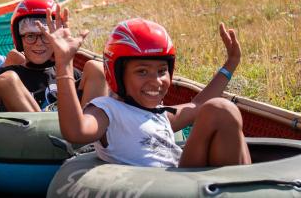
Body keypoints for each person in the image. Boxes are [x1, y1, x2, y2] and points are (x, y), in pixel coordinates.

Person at [49, 17, 251, 168]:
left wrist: (230, 64)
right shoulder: (107, 110)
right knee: (221, 108)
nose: (155, 81)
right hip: (171, 186)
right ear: (116, 74)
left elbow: (198, 105)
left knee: (224, 111)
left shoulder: (161, 115)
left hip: (186, 181)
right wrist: (64, 64)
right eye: (142, 71)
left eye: (162, 71)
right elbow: (76, 132)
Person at [0, 0, 107, 112]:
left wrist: (65, 61)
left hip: (75, 134)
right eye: (30, 36)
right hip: (36, 141)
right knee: (5, 80)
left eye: (45, 36)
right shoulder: (11, 73)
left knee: (96, 67)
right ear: (19, 39)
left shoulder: (69, 72)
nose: (38, 42)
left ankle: (90, 140)